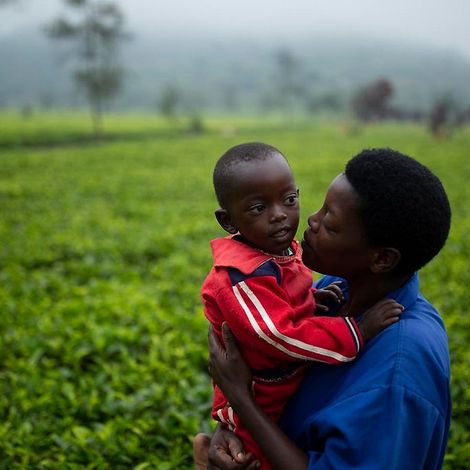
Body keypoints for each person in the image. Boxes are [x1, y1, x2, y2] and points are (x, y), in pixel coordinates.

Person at [197, 147, 452, 470]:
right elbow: (264, 358)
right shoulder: (336, 288)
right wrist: (231, 429)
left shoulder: (397, 375)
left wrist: (242, 401)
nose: (311, 222)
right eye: (319, 209)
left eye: (330, 225)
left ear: (382, 259)